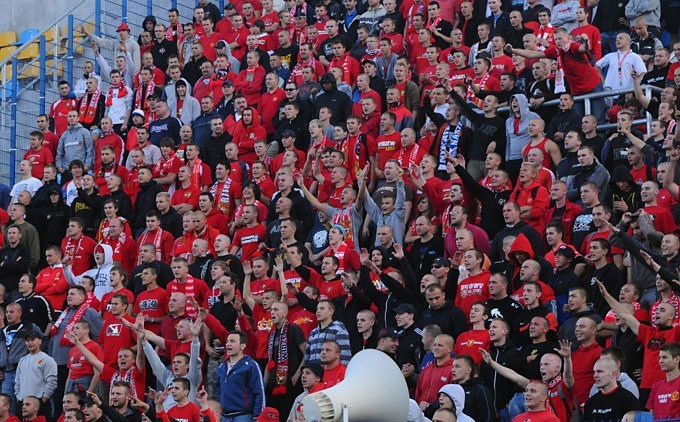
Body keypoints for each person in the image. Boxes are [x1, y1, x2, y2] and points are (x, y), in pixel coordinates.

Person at [215, 331, 265, 420]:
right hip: (224, 416)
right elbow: (218, 392)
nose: (228, 344)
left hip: (243, 415)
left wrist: (258, 417)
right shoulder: (222, 367)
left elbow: (259, 393)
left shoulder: (251, 365)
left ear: (242, 346)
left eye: (232, 341)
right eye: (227, 341)